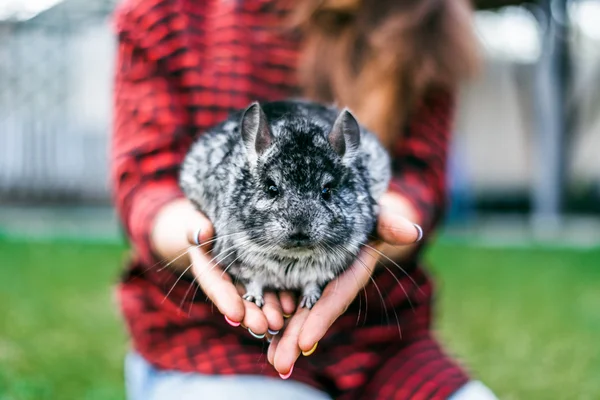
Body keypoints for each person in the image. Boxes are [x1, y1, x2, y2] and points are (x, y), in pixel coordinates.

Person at [110, 0, 497, 399]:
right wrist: (197, 234)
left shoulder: (426, 19)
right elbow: (147, 180)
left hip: (382, 335)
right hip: (209, 336)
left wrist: (383, 226)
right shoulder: (164, 13)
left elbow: (418, 176)